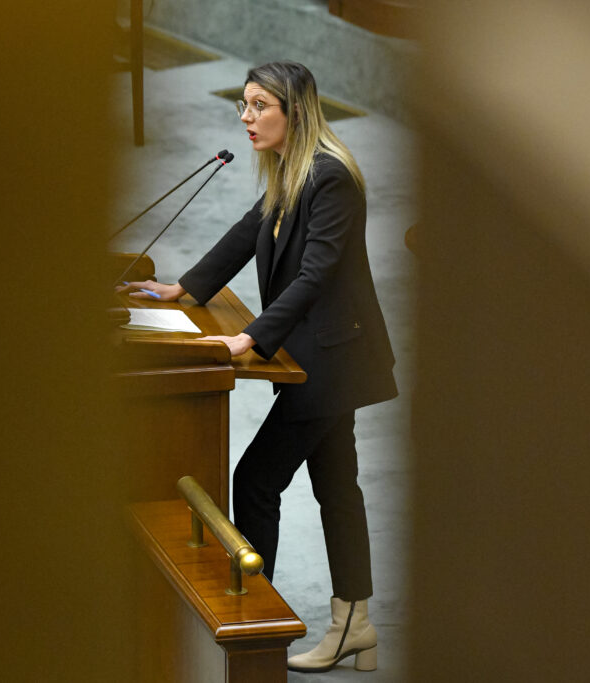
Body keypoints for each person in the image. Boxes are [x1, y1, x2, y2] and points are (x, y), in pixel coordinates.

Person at [118, 61, 397, 674]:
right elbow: (249, 232)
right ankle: (355, 624)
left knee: (255, 481)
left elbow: (315, 274)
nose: (246, 117)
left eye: (259, 106)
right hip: (323, 355)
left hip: (333, 359)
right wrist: (186, 288)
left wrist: (251, 336)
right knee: (337, 486)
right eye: (243, 104)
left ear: (294, 112)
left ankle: (253, 631)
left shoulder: (331, 178)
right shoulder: (289, 169)